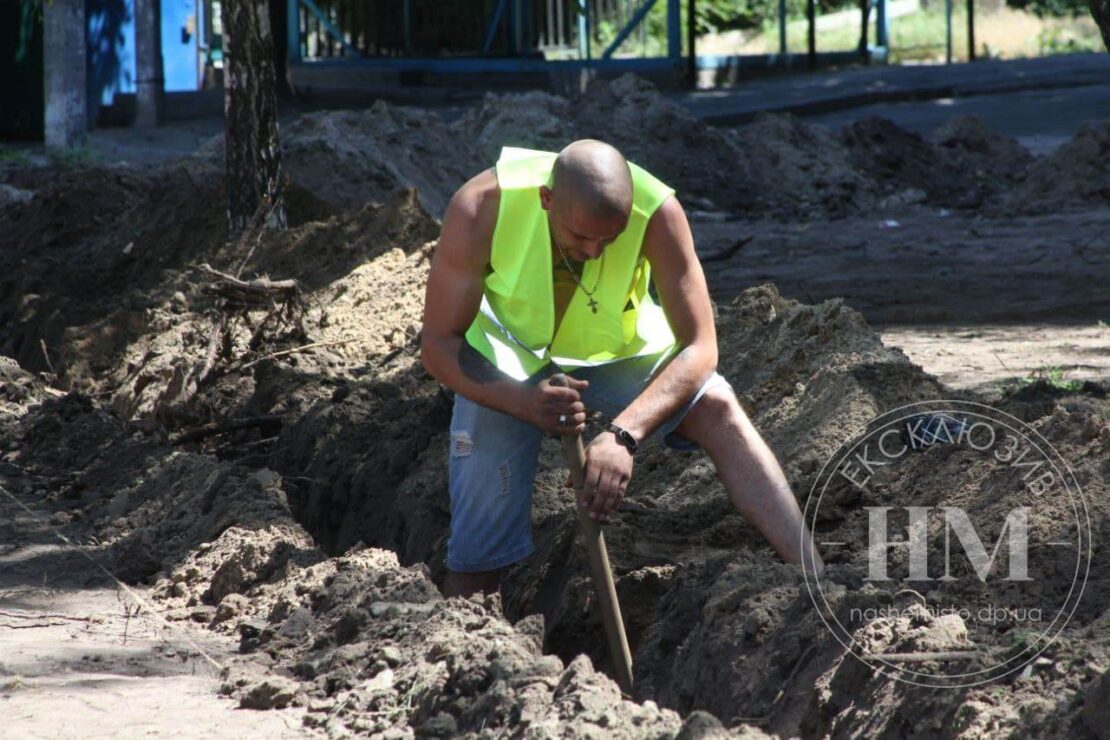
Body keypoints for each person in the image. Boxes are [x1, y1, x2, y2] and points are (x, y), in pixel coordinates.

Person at [421, 140, 824, 599]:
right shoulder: (482, 206)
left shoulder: (658, 213)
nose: (594, 251)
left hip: (612, 353)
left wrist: (623, 435)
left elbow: (701, 346)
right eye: (580, 236)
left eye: (609, 238)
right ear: (546, 200)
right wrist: (521, 402)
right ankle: (467, 633)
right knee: (477, 548)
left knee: (717, 403)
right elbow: (437, 346)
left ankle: (816, 577)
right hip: (504, 361)